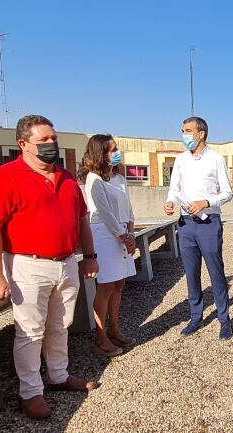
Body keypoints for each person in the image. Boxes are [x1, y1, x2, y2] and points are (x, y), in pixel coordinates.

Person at [0, 114, 100, 420]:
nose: (51, 144)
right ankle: (30, 392)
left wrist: (89, 255)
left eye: (53, 139)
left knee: (60, 325)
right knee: (30, 332)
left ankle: (58, 376)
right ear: (23, 144)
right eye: (43, 140)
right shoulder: (3, 178)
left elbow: (82, 219)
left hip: (66, 263)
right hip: (27, 265)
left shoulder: (68, 178)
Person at [163, 116, 233, 340]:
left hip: (208, 224)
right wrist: (170, 202)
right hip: (185, 225)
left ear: (201, 133)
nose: (184, 135)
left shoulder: (216, 159)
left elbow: (228, 192)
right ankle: (196, 317)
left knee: (216, 273)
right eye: (182, 130)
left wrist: (206, 202)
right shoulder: (181, 160)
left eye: (187, 131)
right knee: (191, 273)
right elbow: (174, 188)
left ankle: (224, 320)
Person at [79, 134, 136, 357]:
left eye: (116, 148)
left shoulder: (119, 178)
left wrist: (130, 230)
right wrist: (124, 236)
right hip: (104, 234)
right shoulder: (94, 179)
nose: (116, 152)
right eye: (111, 149)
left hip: (123, 233)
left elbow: (128, 207)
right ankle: (101, 337)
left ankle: (115, 329)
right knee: (106, 286)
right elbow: (103, 211)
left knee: (119, 285)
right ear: (99, 153)